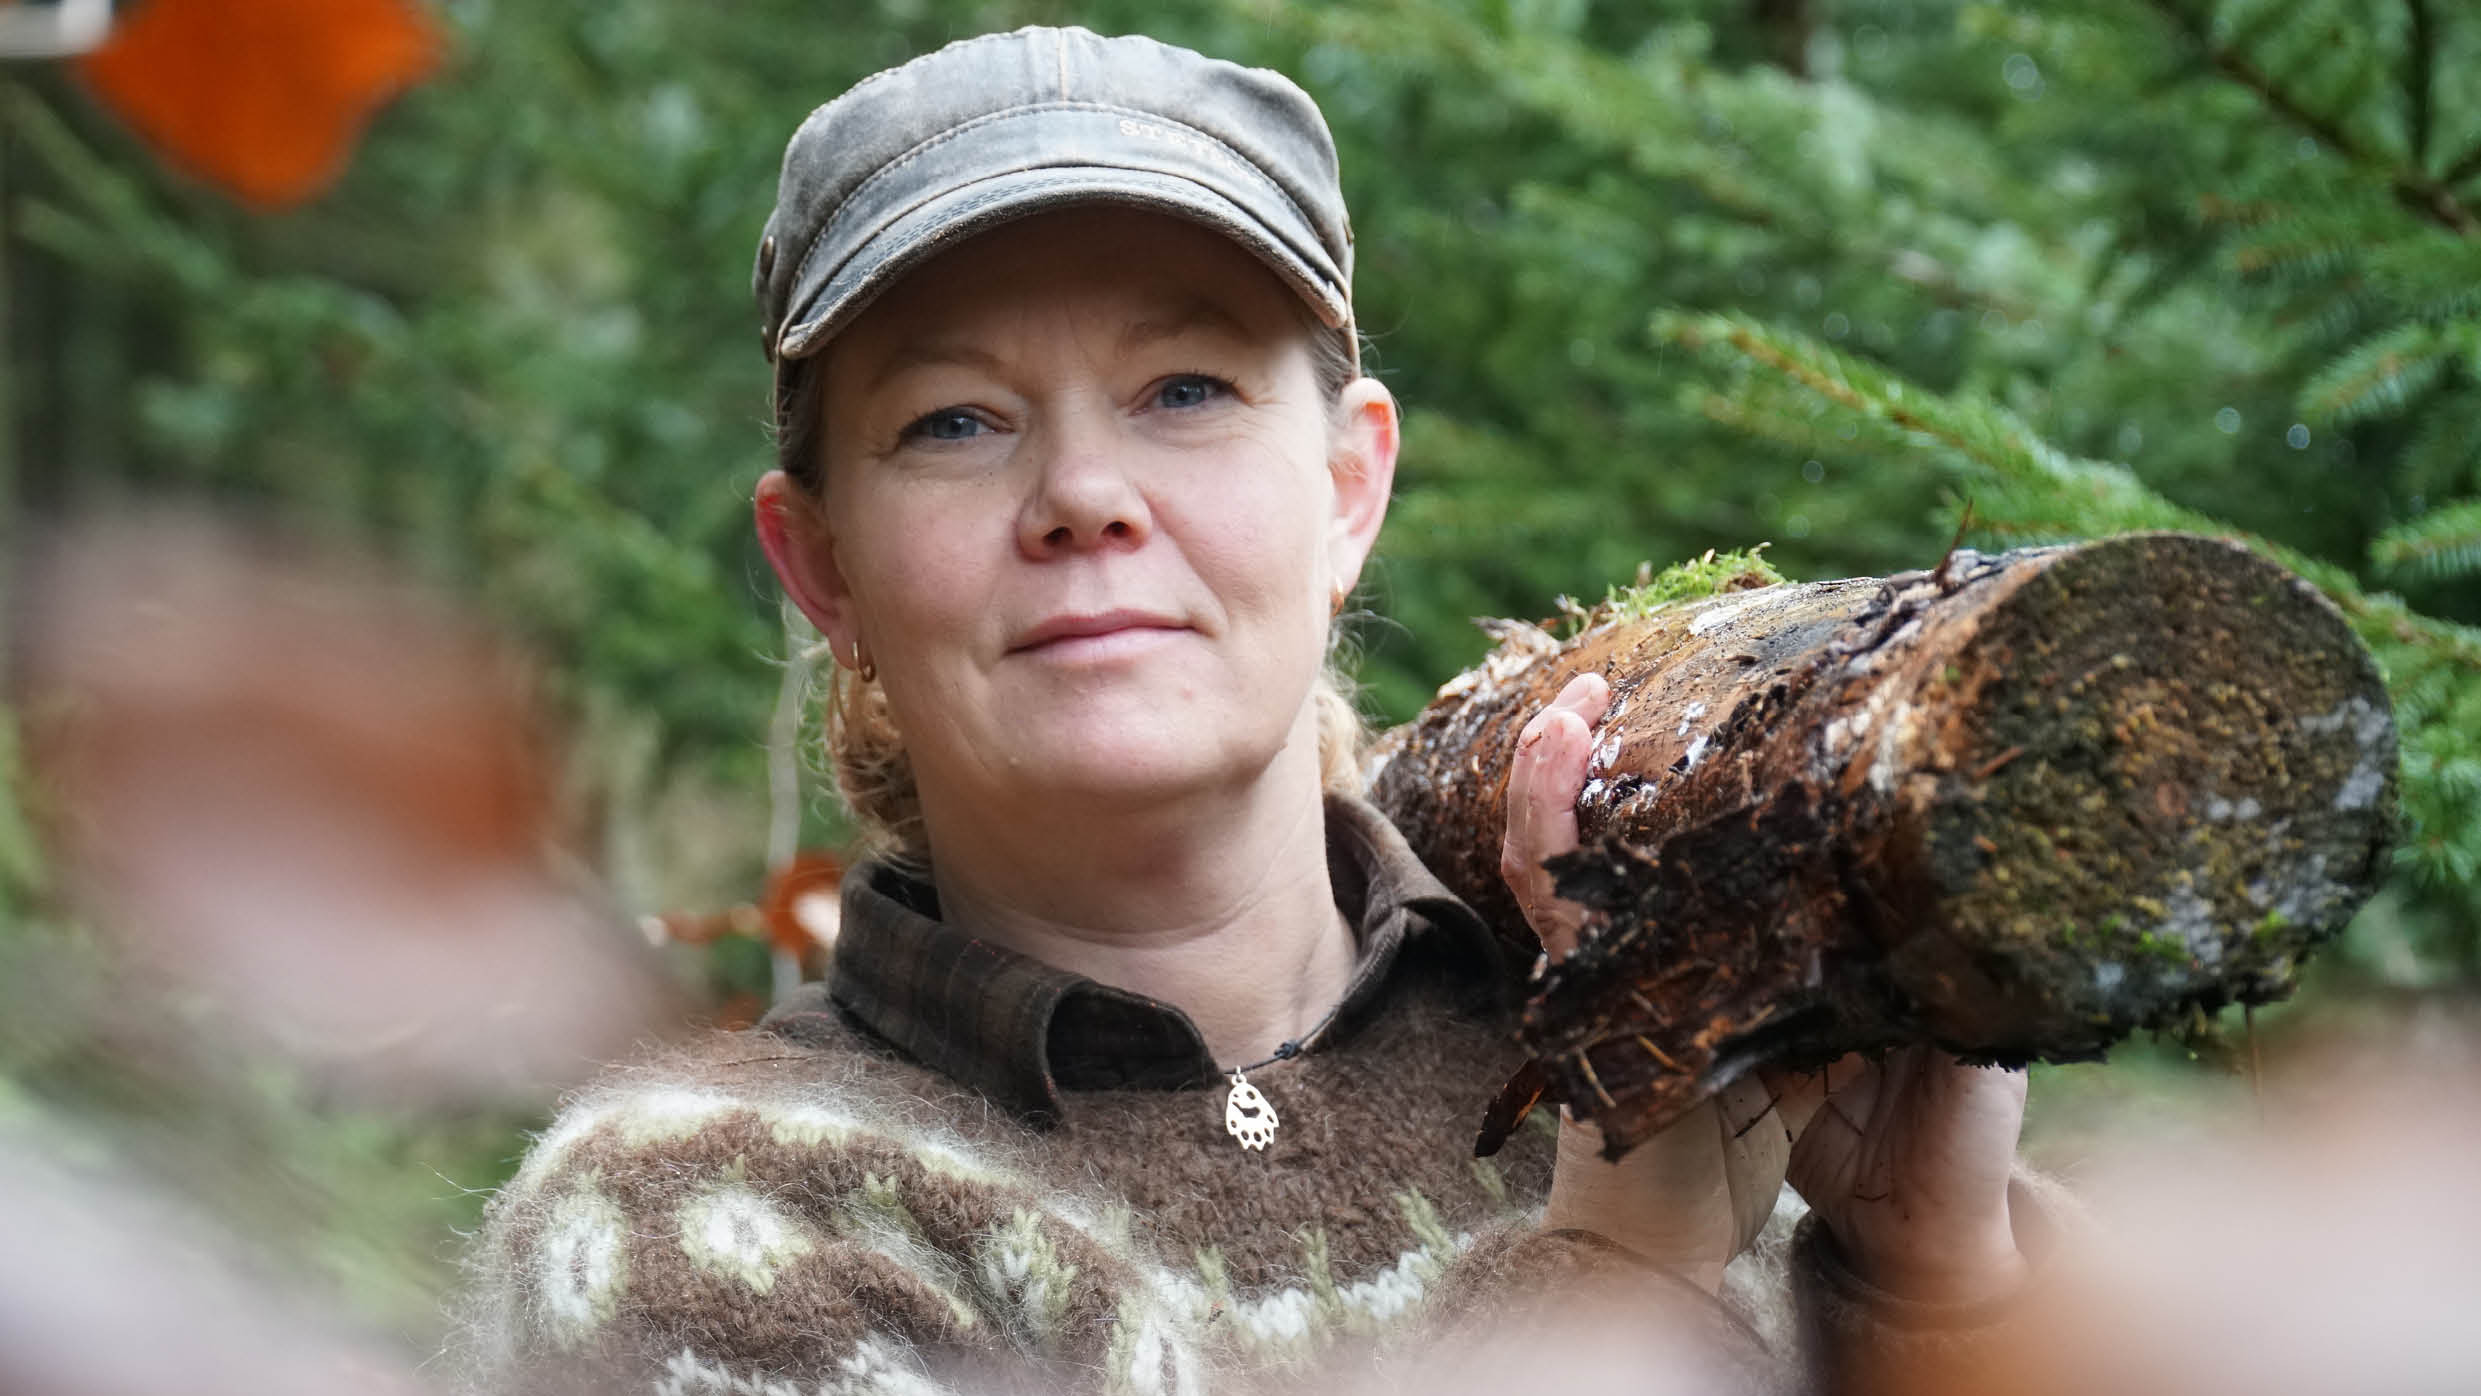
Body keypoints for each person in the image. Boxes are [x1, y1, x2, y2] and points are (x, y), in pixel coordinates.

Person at [455, 26, 2041, 1396]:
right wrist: (1616, 1273)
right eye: (954, 421)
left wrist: (1936, 1285)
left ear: (1348, 489)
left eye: (1185, 391)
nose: (1083, 493)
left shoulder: (1661, 1034)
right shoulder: (704, 1221)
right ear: (824, 570)